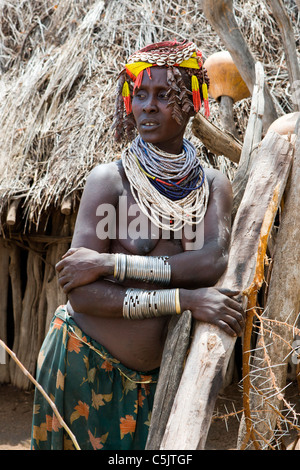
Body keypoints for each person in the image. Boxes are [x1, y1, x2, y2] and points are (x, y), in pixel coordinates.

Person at [31, 40, 244, 450]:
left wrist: (110, 263)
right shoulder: (108, 181)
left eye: (164, 95)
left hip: (156, 384)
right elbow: (84, 295)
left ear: (192, 102)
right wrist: (182, 299)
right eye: (140, 95)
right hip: (82, 362)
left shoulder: (213, 185)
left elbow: (210, 260)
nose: (147, 106)